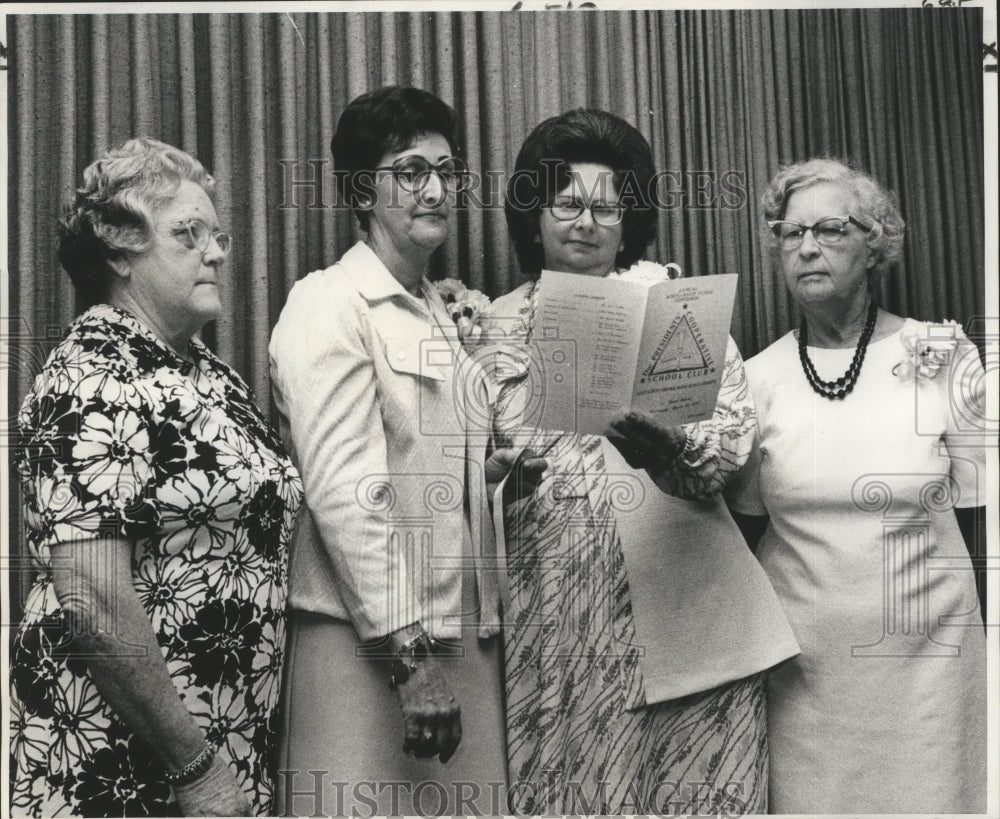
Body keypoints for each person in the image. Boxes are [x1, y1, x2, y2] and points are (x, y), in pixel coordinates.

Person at [483, 108, 799, 815]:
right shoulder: (488, 328)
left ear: (630, 221)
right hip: (558, 629)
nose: (586, 222)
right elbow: (458, 474)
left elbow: (727, 446)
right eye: (567, 202)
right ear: (533, 216)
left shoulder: (673, 307)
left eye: (607, 205)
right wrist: (493, 480)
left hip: (688, 614)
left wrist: (670, 450)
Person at [8, 137, 303, 816]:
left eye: (218, 234)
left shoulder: (204, 370)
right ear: (119, 249)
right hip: (130, 764)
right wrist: (197, 768)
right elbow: (93, 598)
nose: (218, 252)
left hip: (221, 746)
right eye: (189, 233)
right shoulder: (91, 374)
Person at [270, 86, 543, 817]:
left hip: (462, 633)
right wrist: (410, 661)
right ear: (363, 190)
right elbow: (343, 493)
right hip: (376, 645)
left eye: (447, 171)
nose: (435, 188)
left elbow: (422, 461)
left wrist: (490, 475)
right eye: (410, 170)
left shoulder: (439, 312)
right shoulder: (328, 303)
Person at [725, 158, 987, 813]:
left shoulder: (942, 354)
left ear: (874, 243)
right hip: (805, 676)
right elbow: (747, 528)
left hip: (929, 668)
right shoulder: (756, 379)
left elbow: (985, 516)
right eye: (790, 233)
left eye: (830, 229)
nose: (807, 246)